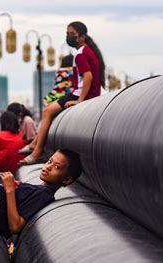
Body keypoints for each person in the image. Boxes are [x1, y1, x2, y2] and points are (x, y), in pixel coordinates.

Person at [19, 21, 105, 165]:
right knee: (51, 111)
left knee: (47, 112)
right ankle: (34, 144)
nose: (69, 37)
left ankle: (37, 151)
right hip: (84, 93)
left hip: (80, 94)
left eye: (72, 34)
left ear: (82, 37)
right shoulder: (88, 51)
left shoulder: (80, 54)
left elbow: (88, 76)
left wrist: (80, 100)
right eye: (67, 34)